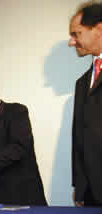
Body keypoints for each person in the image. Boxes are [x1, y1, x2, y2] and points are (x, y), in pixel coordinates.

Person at [69, 1, 102, 206]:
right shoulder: (82, 83)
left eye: (76, 33)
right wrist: (79, 186)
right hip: (91, 193)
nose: (72, 42)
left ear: (99, 29)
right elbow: (79, 136)